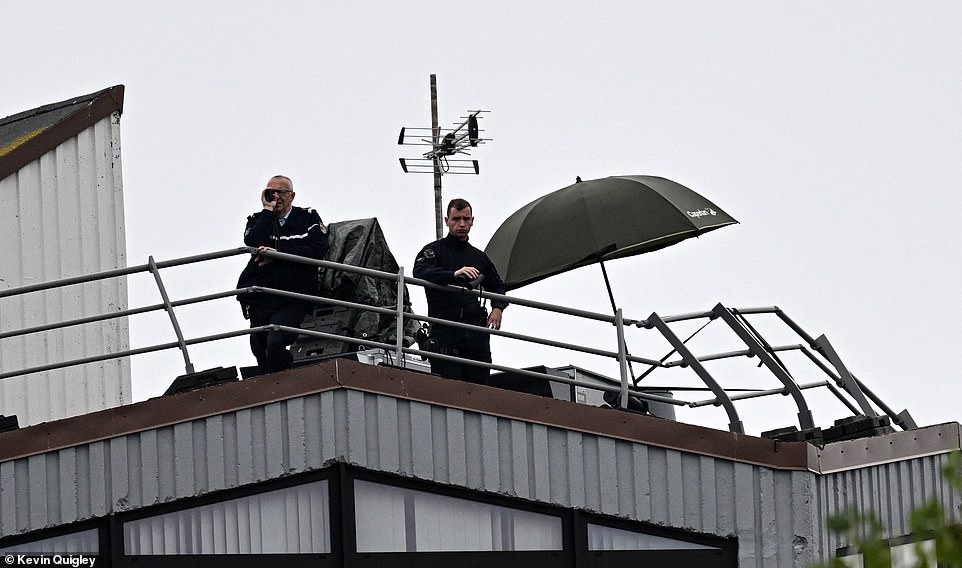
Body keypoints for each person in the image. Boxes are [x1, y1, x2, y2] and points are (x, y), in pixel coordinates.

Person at [236, 175, 330, 374]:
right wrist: (267, 211)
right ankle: (269, 382)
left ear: (292, 196)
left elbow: (318, 249)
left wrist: (279, 254)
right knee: (258, 345)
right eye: (271, 192)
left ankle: (281, 382)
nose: (276, 196)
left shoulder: (308, 219)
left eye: (281, 192)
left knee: (276, 340)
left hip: (292, 296)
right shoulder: (258, 220)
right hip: (262, 296)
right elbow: (253, 241)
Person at [413, 198, 508, 384]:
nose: (461, 224)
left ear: (473, 220)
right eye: (456, 219)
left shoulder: (479, 257)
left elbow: (498, 286)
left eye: (466, 219)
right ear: (447, 220)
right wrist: (454, 274)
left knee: (479, 393)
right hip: (445, 334)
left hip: (475, 337)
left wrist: (498, 308)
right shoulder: (435, 250)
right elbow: (420, 271)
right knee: (448, 394)